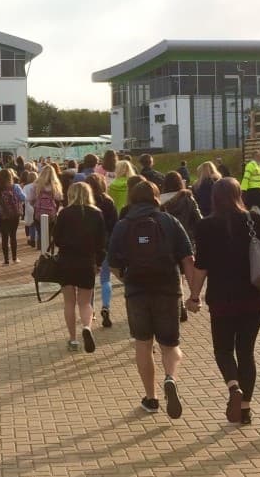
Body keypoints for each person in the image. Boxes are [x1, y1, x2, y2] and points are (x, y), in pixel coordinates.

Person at [188, 177, 260, 425]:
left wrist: (194, 296)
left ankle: (233, 387)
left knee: (223, 349)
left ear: (214, 198)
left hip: (221, 298)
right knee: (246, 352)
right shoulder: (254, 219)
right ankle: (246, 409)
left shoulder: (206, 226)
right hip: (254, 296)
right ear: (239, 194)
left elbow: (201, 266)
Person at [108, 181, 200, 418]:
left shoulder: (123, 225)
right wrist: (194, 295)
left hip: (137, 291)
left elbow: (113, 263)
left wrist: (127, 279)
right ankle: (170, 377)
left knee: (143, 344)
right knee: (170, 345)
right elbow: (188, 259)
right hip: (167, 289)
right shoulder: (169, 222)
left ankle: (151, 398)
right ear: (156, 197)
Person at [53, 182, 107, 352]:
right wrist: (98, 263)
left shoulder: (64, 213)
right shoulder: (97, 214)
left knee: (69, 302)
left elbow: (57, 239)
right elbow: (101, 243)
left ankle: (73, 339)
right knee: (85, 302)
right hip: (87, 261)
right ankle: (87, 327)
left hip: (66, 261)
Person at [161, 171, 203, 323]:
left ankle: (178, 303)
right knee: (184, 270)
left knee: (174, 273)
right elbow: (199, 220)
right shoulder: (187, 198)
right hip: (186, 241)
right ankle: (184, 301)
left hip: (166, 242)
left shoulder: (160, 200)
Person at [84, 173, 118, 328]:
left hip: (89, 247)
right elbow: (115, 226)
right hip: (106, 245)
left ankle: (90, 311)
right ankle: (106, 306)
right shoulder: (109, 202)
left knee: (89, 280)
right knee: (105, 279)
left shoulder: (85, 203)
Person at [0, 169, 24, 265]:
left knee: (4, 237)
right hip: (14, 214)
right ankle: (15, 258)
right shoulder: (15, 187)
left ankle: (6, 260)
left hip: (2, 215)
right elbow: (23, 198)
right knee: (13, 236)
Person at [30, 164, 63, 251]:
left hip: (38, 212)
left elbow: (31, 199)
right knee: (50, 234)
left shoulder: (36, 184)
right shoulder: (55, 185)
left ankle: (42, 251)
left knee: (41, 233)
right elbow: (59, 198)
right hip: (51, 213)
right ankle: (49, 252)